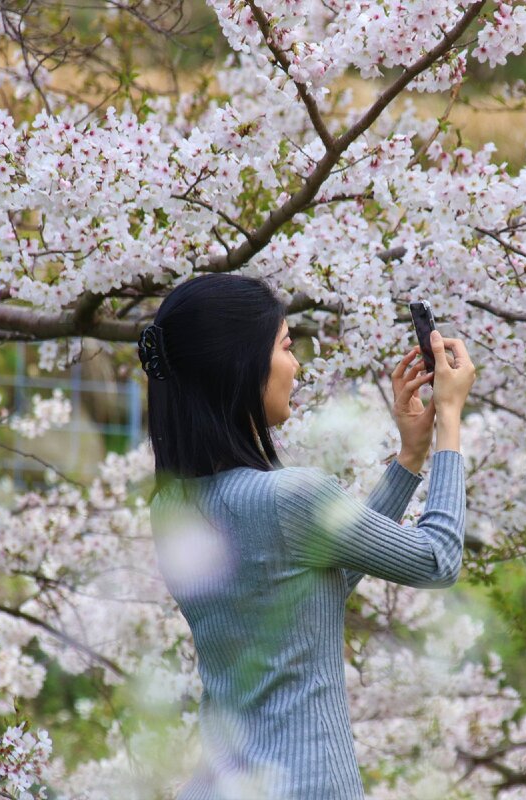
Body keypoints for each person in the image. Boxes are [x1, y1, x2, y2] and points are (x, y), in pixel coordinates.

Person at [141, 273, 475, 799]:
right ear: (242, 365)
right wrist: (450, 422)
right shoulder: (288, 497)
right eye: (285, 347)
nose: (295, 366)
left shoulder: (172, 507)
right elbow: (439, 559)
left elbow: (306, 597)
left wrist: (410, 458)